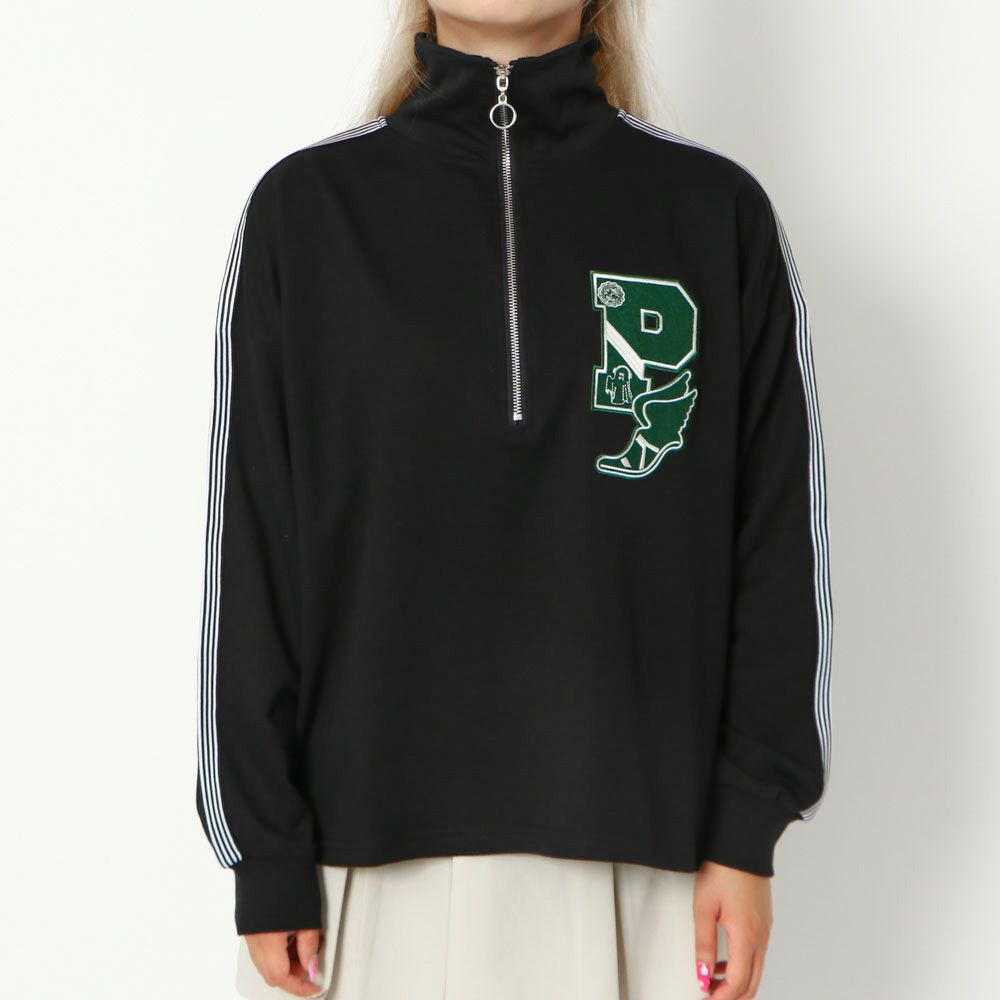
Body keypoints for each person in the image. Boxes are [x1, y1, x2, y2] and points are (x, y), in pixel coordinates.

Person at [195, 1, 834, 997]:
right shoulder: (307, 212)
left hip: (647, 866)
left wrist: (746, 831)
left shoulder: (713, 213)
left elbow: (776, 544)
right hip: (356, 867)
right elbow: (253, 548)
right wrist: (265, 847)